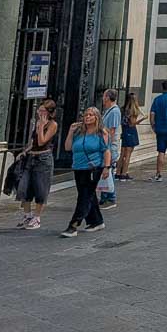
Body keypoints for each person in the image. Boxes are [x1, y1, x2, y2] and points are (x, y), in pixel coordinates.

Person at [61, 107, 112, 238]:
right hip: (79, 167)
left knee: (84, 196)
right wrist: (71, 132)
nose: (87, 117)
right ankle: (96, 221)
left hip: (93, 168)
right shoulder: (79, 132)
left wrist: (107, 167)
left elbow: (106, 150)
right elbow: (67, 147)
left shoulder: (102, 133)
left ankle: (74, 224)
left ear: (97, 118)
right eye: (86, 115)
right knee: (88, 195)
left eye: (91, 115)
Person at [16, 99, 58, 230]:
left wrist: (41, 126)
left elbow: (42, 141)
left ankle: (37, 217)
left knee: (41, 188)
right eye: (39, 110)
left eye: (42, 111)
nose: (39, 113)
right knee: (24, 186)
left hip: (43, 159)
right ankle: (27, 215)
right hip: (32, 157)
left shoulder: (52, 124)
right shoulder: (38, 122)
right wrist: (24, 151)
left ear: (49, 112)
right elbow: (33, 142)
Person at [98, 88, 121, 209]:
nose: (102, 98)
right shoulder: (109, 111)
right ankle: (104, 197)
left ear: (107, 97)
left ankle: (110, 198)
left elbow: (111, 130)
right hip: (105, 145)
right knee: (105, 170)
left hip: (109, 146)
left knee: (109, 171)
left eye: (104, 96)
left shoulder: (114, 111)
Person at [117, 94, 144, 180]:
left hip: (124, 130)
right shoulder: (133, 110)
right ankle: (124, 173)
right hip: (131, 131)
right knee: (128, 154)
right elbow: (132, 123)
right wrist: (143, 118)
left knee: (122, 154)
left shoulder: (122, 109)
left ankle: (118, 172)